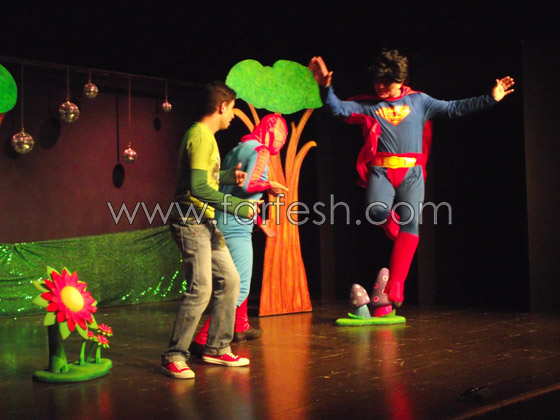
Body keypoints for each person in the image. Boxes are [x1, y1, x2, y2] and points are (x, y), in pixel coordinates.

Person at [309, 50, 514, 311]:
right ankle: (393, 230)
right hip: (381, 171)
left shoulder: (419, 101)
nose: (380, 86)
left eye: (386, 82)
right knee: (376, 211)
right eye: (377, 81)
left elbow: (454, 109)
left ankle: (397, 283)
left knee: (410, 224)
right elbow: (338, 109)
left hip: (411, 174)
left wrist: (491, 98)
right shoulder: (368, 104)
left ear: (400, 80)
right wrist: (325, 87)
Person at [161, 81, 257, 379]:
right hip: (190, 221)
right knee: (201, 289)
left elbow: (206, 178)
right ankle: (174, 355)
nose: (233, 115)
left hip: (205, 221)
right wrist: (237, 206)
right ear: (222, 106)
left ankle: (216, 347)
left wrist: (229, 175)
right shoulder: (201, 137)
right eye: (233, 109)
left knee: (230, 280)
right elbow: (198, 188)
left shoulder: (205, 137)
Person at [191, 114, 289, 352]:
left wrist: (259, 221)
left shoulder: (237, 149)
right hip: (235, 225)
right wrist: (270, 185)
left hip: (223, 218)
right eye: (280, 135)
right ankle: (204, 339)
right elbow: (247, 185)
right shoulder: (261, 150)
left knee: (236, 277)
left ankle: (240, 326)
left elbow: (233, 188)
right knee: (240, 285)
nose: (280, 141)